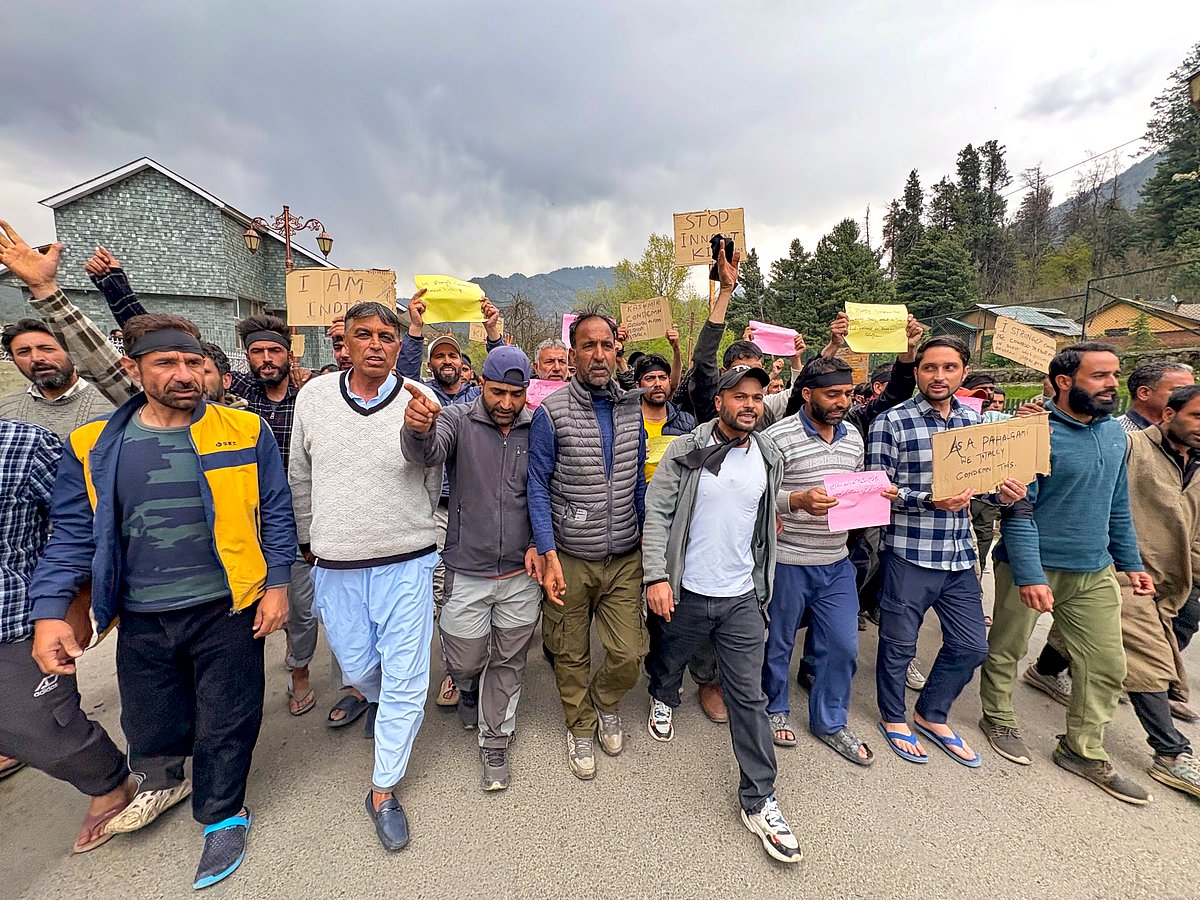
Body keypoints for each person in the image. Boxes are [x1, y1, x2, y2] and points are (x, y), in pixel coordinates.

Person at [28, 312, 295, 889]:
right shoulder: (94, 443)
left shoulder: (245, 432)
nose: (184, 374)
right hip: (142, 610)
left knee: (229, 716)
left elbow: (275, 510)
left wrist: (277, 584)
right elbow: (73, 534)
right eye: (167, 363)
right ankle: (162, 779)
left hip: (228, 604)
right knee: (150, 713)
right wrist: (51, 612)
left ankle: (223, 813)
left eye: (194, 363)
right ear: (134, 368)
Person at [289, 301, 442, 850]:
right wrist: (309, 540)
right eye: (363, 335)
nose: (375, 343)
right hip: (336, 560)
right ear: (345, 342)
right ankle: (374, 700)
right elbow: (299, 476)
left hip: (407, 559)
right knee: (357, 663)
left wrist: (417, 531)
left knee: (406, 675)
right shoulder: (314, 398)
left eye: (386, 336)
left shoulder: (422, 402)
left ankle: (382, 787)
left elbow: (431, 477)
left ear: (399, 345)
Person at [980, 342, 1154, 805]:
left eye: (1115, 374)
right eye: (1099, 376)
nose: (1112, 384)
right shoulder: (1032, 433)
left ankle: (1083, 750)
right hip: (1032, 565)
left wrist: (1131, 563)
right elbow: (1018, 510)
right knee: (1008, 647)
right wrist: (1031, 574)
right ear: (1064, 382)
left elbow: (1117, 506)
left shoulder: (1117, 436)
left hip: (1094, 571)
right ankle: (997, 716)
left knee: (1106, 663)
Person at [642, 364, 801, 864]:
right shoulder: (686, 450)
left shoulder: (768, 455)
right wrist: (656, 576)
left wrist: (801, 501)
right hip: (687, 588)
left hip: (740, 598)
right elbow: (658, 512)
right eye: (739, 396)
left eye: (757, 396)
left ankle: (760, 800)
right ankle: (663, 696)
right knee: (669, 657)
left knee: (749, 696)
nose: (750, 404)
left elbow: (766, 503)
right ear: (719, 403)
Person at [867, 336, 1026, 767]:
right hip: (909, 553)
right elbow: (875, 489)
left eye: (949, 368)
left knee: (972, 646)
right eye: (929, 368)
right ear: (917, 371)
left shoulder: (975, 427)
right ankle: (893, 716)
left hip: (959, 556)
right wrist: (928, 499)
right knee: (899, 645)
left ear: (963, 371)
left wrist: (1005, 495)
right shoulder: (892, 422)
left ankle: (932, 711)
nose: (939, 376)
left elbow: (986, 490)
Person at [401, 346, 541, 791]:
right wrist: (417, 429)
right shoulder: (457, 419)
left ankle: (495, 739)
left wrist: (541, 545)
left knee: (508, 660)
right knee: (465, 661)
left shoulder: (538, 425)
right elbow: (427, 451)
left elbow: (545, 489)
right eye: (498, 392)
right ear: (481, 382)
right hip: (466, 570)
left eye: (516, 394)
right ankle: (465, 687)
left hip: (521, 574)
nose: (506, 404)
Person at [0, 416, 141, 854]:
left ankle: (110, 781)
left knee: (44, 727)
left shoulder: (23, 444)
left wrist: (74, 601)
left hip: (15, 615)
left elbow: (80, 527)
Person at [529, 312, 647, 780]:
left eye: (606, 345)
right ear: (573, 352)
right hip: (571, 556)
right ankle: (579, 726)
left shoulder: (631, 408)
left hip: (624, 555)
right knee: (569, 648)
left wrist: (648, 543)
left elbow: (637, 480)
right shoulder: (550, 413)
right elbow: (537, 485)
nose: (598, 355)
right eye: (587, 346)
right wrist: (547, 550)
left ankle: (605, 701)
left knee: (629, 653)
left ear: (617, 349)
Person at [764, 357, 897, 765]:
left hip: (836, 560)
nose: (842, 402)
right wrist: (795, 501)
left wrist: (878, 496)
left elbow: (855, 492)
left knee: (842, 644)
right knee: (778, 642)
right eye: (832, 394)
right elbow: (758, 492)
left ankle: (830, 721)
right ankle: (773, 709)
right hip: (788, 560)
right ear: (807, 394)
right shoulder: (776, 437)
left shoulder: (854, 438)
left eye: (847, 394)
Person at [399, 293, 504, 709]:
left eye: (452, 355)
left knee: (490, 587)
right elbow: (399, 378)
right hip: (439, 507)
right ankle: (454, 668)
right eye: (438, 355)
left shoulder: (477, 400)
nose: (446, 361)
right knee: (446, 589)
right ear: (430, 364)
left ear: (463, 364)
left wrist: (494, 335)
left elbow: (506, 380)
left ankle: (489, 661)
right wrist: (415, 330)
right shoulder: (423, 396)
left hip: (480, 507)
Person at [1113, 385, 1200, 798]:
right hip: (1123, 568)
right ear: (1168, 414)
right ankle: (1170, 750)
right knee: (1146, 649)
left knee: (1176, 628)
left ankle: (1048, 667)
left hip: (1175, 578)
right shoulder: (1129, 447)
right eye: (1197, 416)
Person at [0, 319, 115, 436]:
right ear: (13, 359)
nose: (36, 358)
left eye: (47, 349)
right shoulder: (5, 410)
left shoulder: (113, 405)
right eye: (24, 352)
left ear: (71, 352)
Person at [1116, 360, 1194, 433]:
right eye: (1180, 390)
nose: (1192, 397)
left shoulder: (1191, 434)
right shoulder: (1113, 434)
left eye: (1192, 390)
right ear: (1144, 393)